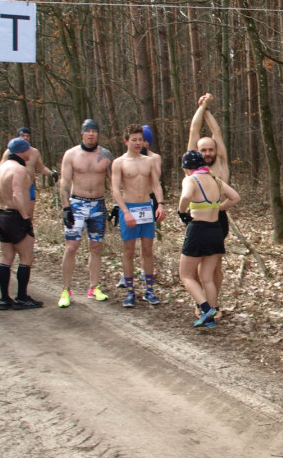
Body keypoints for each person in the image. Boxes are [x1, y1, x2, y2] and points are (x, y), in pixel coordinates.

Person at [177, 150, 239, 328]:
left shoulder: (191, 179)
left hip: (198, 230)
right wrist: (219, 208)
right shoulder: (215, 180)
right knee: (207, 277)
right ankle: (212, 314)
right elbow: (235, 197)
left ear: (187, 168)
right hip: (216, 230)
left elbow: (187, 196)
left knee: (186, 275)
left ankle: (206, 309)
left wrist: (181, 212)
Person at [58, 119, 113, 307]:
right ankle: (66, 289)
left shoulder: (106, 155)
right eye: (87, 131)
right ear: (82, 133)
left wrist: (117, 205)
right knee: (71, 246)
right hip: (77, 203)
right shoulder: (71, 154)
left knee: (96, 247)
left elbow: (113, 181)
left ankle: (93, 287)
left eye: (94, 131)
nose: (91, 134)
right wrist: (66, 207)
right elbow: (64, 181)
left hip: (98, 204)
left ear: (98, 133)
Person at [112, 124, 165, 307]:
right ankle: (129, 292)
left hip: (146, 208)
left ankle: (149, 290)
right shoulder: (119, 162)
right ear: (126, 141)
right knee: (128, 251)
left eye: (140, 139)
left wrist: (160, 205)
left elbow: (156, 185)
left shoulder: (149, 161)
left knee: (148, 251)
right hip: (129, 208)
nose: (137, 143)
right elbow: (115, 189)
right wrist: (125, 212)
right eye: (133, 139)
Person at [187, 94, 230, 315]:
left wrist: (208, 110)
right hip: (196, 220)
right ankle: (201, 302)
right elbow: (194, 131)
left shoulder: (221, 163)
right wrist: (202, 106)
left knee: (214, 267)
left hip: (218, 220)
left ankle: (213, 305)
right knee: (193, 267)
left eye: (210, 149)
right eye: (203, 150)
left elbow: (217, 133)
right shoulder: (192, 165)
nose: (207, 153)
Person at [0, 138, 42, 309]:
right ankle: (21, 296)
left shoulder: (2, 168)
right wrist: (25, 217)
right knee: (27, 256)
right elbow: (17, 195)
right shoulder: (19, 170)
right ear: (22, 151)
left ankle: (4, 298)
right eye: (28, 149)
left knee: (6, 257)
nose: (31, 152)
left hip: (2, 215)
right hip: (15, 216)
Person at [0, 126, 58, 221]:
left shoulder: (34, 152)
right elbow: (1, 167)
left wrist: (51, 173)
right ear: (18, 137)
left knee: (29, 214)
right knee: (15, 212)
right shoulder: (10, 152)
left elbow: (42, 167)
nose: (25, 138)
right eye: (23, 136)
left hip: (29, 187)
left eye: (27, 136)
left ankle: (28, 230)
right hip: (13, 187)